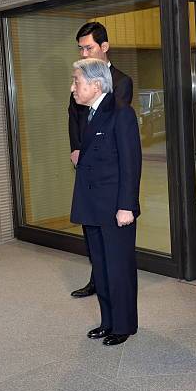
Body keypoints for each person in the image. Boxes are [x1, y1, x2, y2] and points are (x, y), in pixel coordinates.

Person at [69, 58, 142, 346]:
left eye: (77, 81)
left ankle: (124, 325)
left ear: (96, 84)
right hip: (92, 205)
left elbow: (131, 163)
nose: (73, 87)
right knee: (100, 266)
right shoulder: (88, 114)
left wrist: (126, 205)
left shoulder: (121, 114)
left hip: (115, 207)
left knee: (118, 267)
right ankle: (108, 320)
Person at [69, 22, 133, 299]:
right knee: (92, 229)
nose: (84, 53)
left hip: (108, 168)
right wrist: (75, 148)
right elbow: (74, 116)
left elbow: (112, 126)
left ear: (104, 47)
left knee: (111, 238)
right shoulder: (80, 79)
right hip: (85, 161)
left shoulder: (120, 81)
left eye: (89, 47)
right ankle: (97, 277)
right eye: (81, 48)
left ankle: (107, 281)